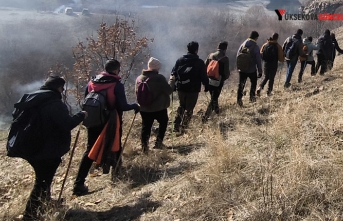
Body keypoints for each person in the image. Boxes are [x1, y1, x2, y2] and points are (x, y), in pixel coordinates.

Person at [22, 76, 87, 220]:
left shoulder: (35, 100)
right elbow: (67, 124)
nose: (62, 91)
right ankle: (30, 214)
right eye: (62, 88)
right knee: (43, 181)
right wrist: (81, 115)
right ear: (58, 88)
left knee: (43, 179)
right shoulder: (54, 103)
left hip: (31, 147)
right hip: (47, 150)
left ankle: (44, 204)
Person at [73, 59, 140, 196]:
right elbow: (122, 106)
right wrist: (135, 106)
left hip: (93, 120)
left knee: (89, 150)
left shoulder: (91, 83)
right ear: (116, 70)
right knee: (115, 145)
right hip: (111, 121)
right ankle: (117, 174)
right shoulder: (116, 85)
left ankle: (78, 184)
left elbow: (87, 99)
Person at [169, 41, 209, 133]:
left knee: (181, 106)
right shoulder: (199, 62)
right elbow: (203, 76)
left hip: (181, 87)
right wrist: (206, 86)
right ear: (197, 50)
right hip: (193, 89)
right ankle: (184, 127)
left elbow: (173, 73)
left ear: (187, 49)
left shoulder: (180, 60)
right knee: (189, 108)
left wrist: (173, 85)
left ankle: (176, 124)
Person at [135, 57, 173, 153]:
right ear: (157, 68)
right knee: (163, 123)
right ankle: (158, 143)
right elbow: (169, 90)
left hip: (144, 108)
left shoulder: (139, 78)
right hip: (159, 108)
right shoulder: (159, 78)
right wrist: (172, 81)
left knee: (145, 127)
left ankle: (144, 148)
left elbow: (137, 93)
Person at [202, 41, 230, 123]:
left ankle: (217, 112)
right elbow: (226, 73)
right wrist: (223, 79)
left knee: (213, 97)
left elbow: (205, 66)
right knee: (214, 98)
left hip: (209, 80)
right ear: (225, 48)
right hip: (218, 81)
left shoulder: (211, 55)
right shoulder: (225, 58)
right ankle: (205, 116)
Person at [236, 31, 262, 106]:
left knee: (241, 85)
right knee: (253, 83)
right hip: (251, 70)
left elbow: (237, 56)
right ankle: (252, 98)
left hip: (242, 69)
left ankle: (239, 100)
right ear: (256, 38)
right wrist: (260, 71)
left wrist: (239, 67)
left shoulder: (243, 44)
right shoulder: (255, 47)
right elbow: (258, 60)